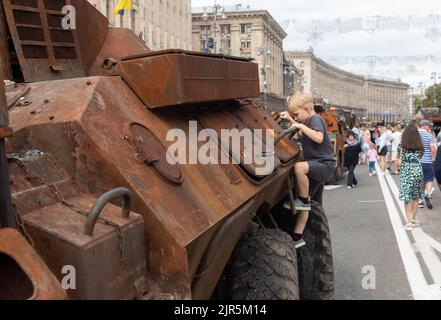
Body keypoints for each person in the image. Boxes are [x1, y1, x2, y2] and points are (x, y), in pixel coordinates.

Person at [280, 93, 335, 249]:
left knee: (299, 167)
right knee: (306, 206)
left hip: (325, 165)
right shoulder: (307, 121)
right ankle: (297, 237)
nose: (296, 118)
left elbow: (318, 137)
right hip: (318, 165)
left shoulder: (315, 119)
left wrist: (300, 126)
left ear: (306, 108)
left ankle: (303, 199)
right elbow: (300, 128)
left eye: (296, 114)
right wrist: (291, 121)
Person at [399, 124, 424, 231]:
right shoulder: (420, 145)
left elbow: (401, 159)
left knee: (407, 197)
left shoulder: (402, 145)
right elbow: (420, 156)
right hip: (417, 170)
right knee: (416, 196)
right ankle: (413, 220)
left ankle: (409, 222)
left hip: (407, 171)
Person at [418, 119, 437, 209]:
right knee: (428, 179)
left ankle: (420, 201)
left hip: (416, 162)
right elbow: (433, 150)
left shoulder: (414, 134)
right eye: (429, 126)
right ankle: (428, 195)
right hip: (427, 162)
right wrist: (435, 159)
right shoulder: (429, 135)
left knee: (419, 180)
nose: (430, 127)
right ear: (424, 126)